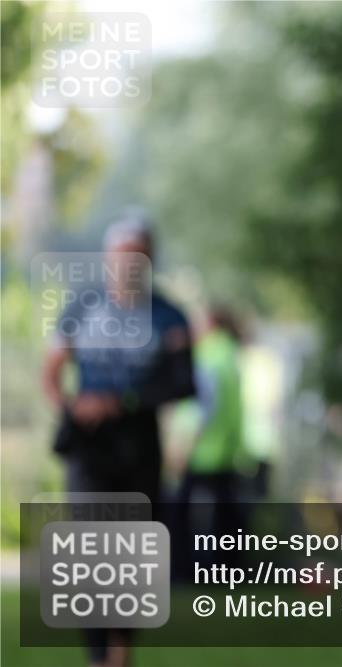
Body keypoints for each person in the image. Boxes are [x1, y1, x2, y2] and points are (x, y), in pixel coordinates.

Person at [41, 210, 196, 667]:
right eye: (122, 256)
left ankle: (120, 648)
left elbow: (183, 383)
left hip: (139, 443)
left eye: (139, 257)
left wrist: (121, 401)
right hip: (89, 447)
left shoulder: (168, 315)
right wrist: (73, 408)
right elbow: (50, 373)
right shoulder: (82, 305)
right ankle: (99, 656)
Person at [172, 305, 247, 576]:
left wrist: (183, 445)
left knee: (179, 513)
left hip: (201, 449)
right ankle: (228, 571)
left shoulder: (207, 356)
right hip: (226, 449)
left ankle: (182, 572)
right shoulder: (230, 354)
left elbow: (201, 406)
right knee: (226, 516)